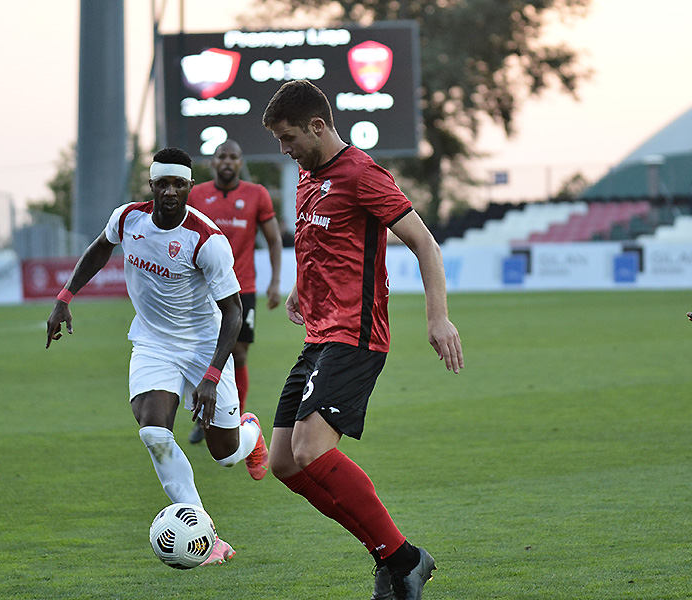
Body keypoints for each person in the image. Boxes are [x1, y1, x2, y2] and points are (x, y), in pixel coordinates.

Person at [261, 80, 464, 600]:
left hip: (356, 334)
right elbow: (317, 243)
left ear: (318, 126)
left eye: (289, 139)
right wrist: (301, 291)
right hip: (319, 336)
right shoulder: (308, 179)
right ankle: (390, 556)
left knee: (310, 450)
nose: (285, 151)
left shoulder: (362, 173)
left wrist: (437, 318)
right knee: (283, 461)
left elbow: (424, 243)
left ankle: (403, 559)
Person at [45, 147, 269, 566]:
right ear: (151, 186)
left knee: (224, 453)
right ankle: (206, 533)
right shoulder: (129, 218)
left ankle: (251, 433)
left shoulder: (207, 240)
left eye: (179, 185)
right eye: (162, 184)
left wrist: (211, 375)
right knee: (153, 433)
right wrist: (65, 296)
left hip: (205, 346)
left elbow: (234, 311)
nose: (170, 192)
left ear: (189, 187)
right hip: (153, 343)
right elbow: (99, 248)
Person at [186, 139, 283, 443]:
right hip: (202, 288)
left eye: (234, 157)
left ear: (241, 163)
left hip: (243, 288)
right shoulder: (197, 194)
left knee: (238, 353)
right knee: (199, 354)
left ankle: (233, 420)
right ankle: (203, 418)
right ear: (213, 162)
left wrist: (276, 282)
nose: (228, 162)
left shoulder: (257, 195)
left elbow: (274, 240)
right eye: (222, 157)